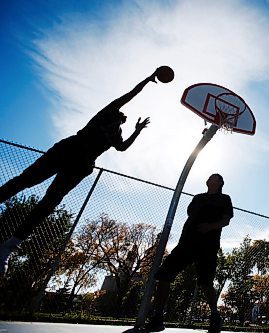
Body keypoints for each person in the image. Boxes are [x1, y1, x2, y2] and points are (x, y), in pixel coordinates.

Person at [0, 66, 174, 275]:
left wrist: (137, 131)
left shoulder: (116, 134)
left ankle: (9, 246)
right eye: (122, 113)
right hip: (68, 149)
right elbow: (130, 95)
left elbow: (122, 147)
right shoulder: (106, 114)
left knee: (49, 202)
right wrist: (148, 79)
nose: (124, 115)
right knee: (25, 180)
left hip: (81, 165)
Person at [146, 173, 233, 333]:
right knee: (164, 274)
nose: (210, 178)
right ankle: (158, 316)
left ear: (220, 182)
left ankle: (215, 316)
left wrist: (210, 226)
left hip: (208, 246)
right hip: (186, 243)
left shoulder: (224, 199)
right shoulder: (198, 197)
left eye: (214, 177)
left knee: (206, 283)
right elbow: (190, 215)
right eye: (209, 177)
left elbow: (226, 220)